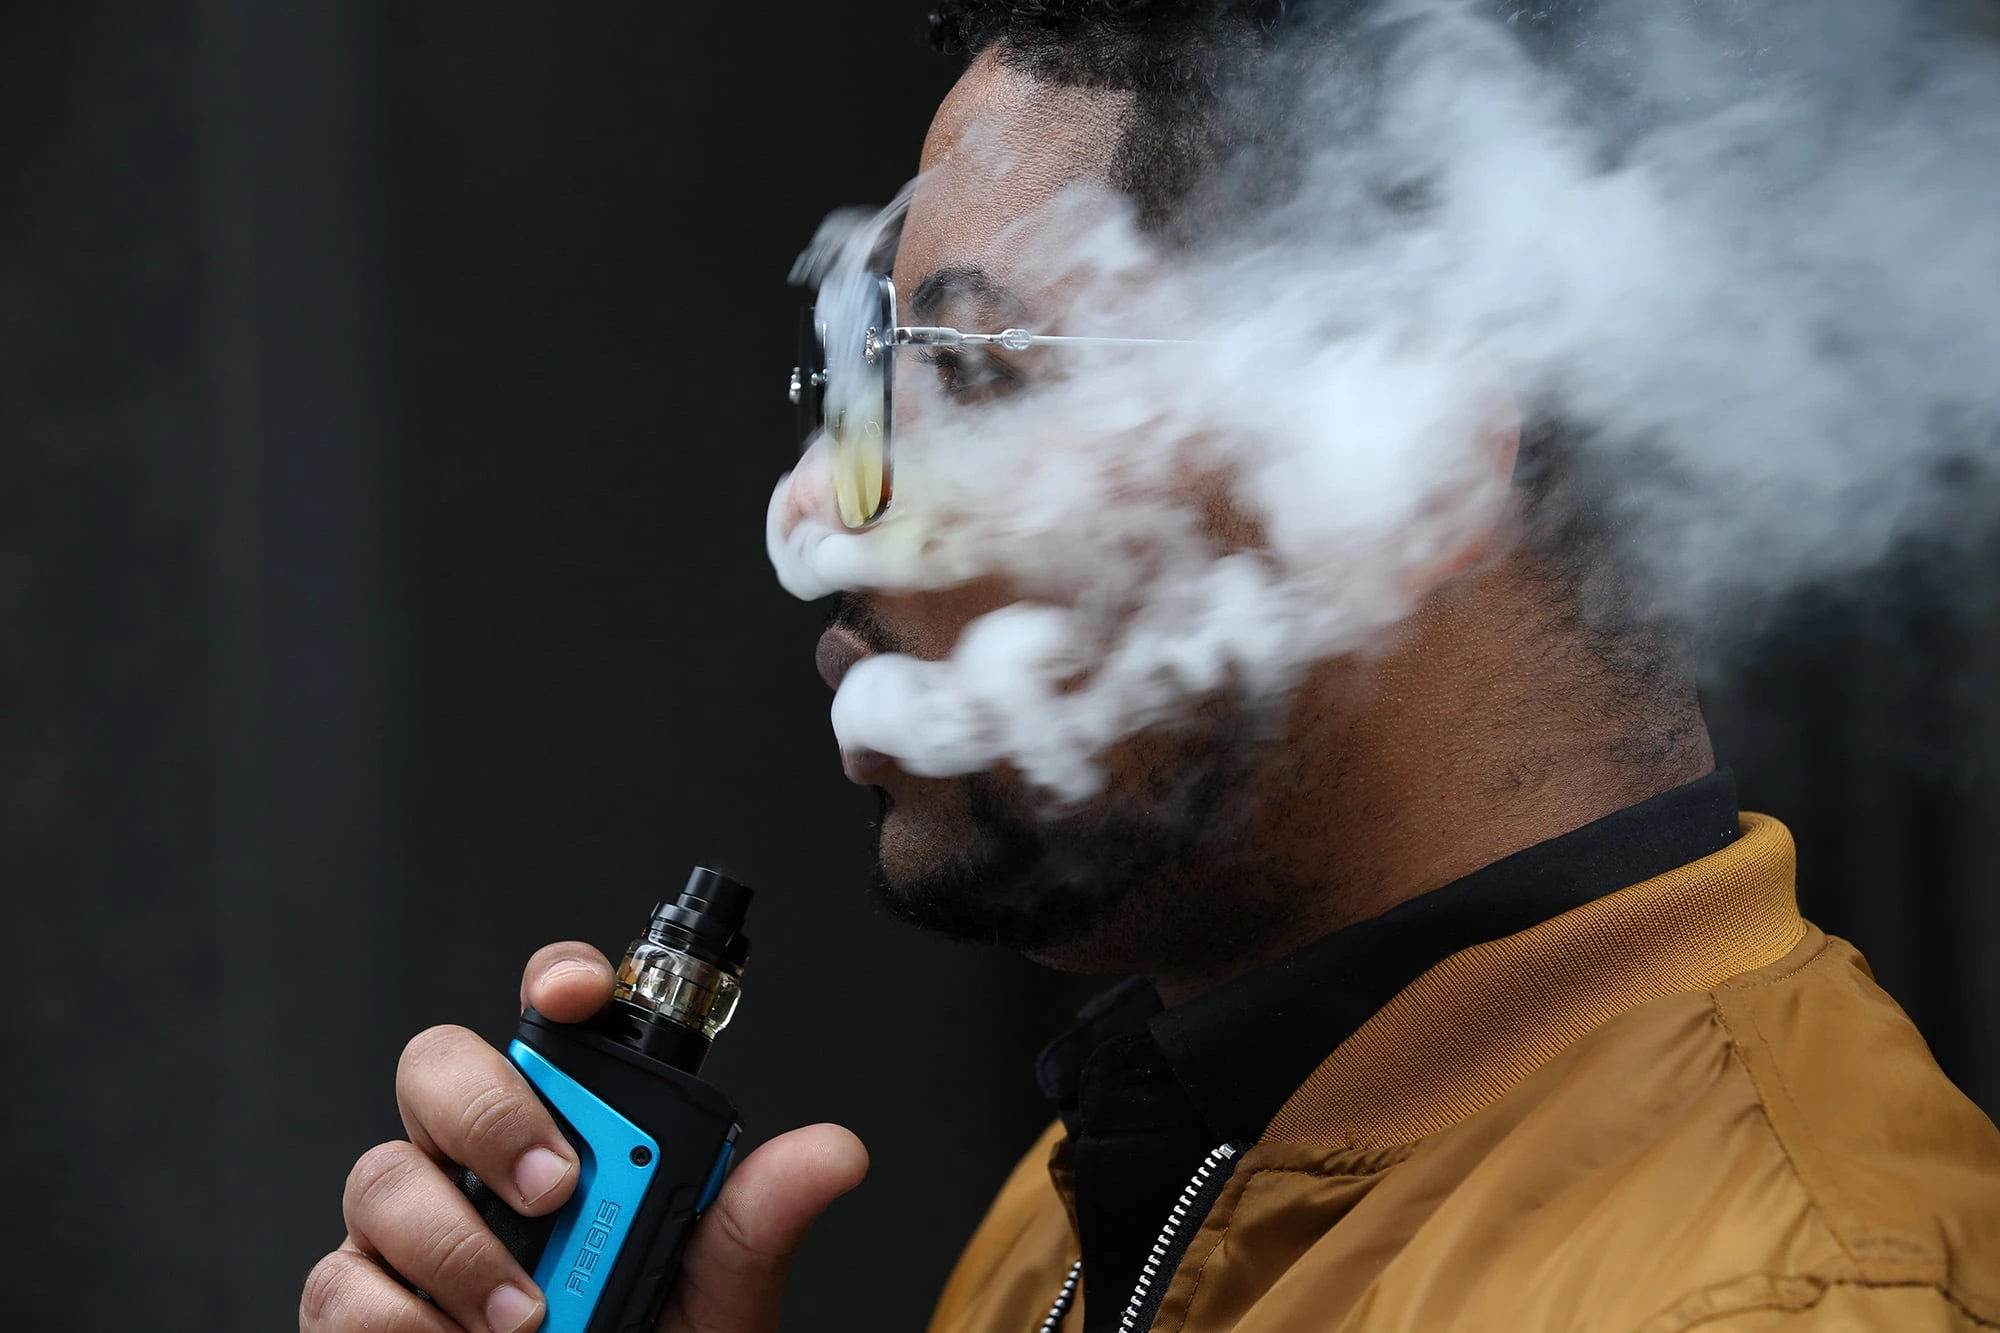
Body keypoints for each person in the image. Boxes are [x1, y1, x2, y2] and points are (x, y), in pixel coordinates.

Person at [300, 2, 2000, 1331]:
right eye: (857, 375)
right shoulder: (1134, 1165)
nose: (821, 516)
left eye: (971, 371)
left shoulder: (1773, 1302)